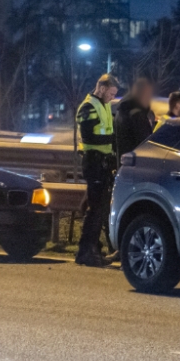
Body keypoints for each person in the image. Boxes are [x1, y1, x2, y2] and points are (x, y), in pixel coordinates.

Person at [75, 74, 119, 267]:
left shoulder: (104, 105)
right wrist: (110, 145)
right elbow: (89, 138)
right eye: (111, 93)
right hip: (94, 162)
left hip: (103, 162)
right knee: (96, 209)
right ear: (101, 88)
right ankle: (86, 250)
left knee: (100, 208)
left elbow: (109, 132)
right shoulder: (88, 107)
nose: (112, 97)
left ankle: (92, 248)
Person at [114, 77, 155, 159]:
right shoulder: (137, 115)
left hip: (125, 162)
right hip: (136, 163)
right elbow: (144, 143)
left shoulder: (122, 110)